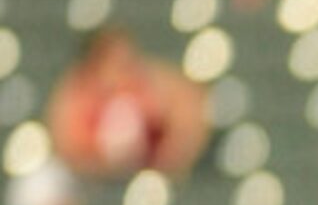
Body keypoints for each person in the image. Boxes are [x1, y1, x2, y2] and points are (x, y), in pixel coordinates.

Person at [44, 27, 211, 181]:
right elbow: (68, 146)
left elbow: (189, 123)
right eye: (111, 59)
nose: (119, 67)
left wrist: (163, 158)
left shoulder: (154, 82)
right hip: (88, 184)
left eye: (124, 59)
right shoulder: (76, 92)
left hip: (152, 178)